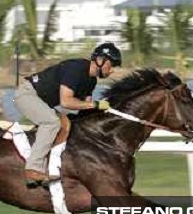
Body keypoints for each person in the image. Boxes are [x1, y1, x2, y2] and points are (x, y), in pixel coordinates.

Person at [14, 42, 122, 186]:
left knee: (66, 125)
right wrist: (95, 104)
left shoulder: (91, 81)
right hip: (27, 94)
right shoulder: (76, 69)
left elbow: (86, 108)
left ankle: (51, 169)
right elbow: (66, 102)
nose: (112, 70)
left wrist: (106, 109)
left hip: (43, 103)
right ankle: (32, 170)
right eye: (111, 64)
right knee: (52, 122)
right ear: (100, 60)